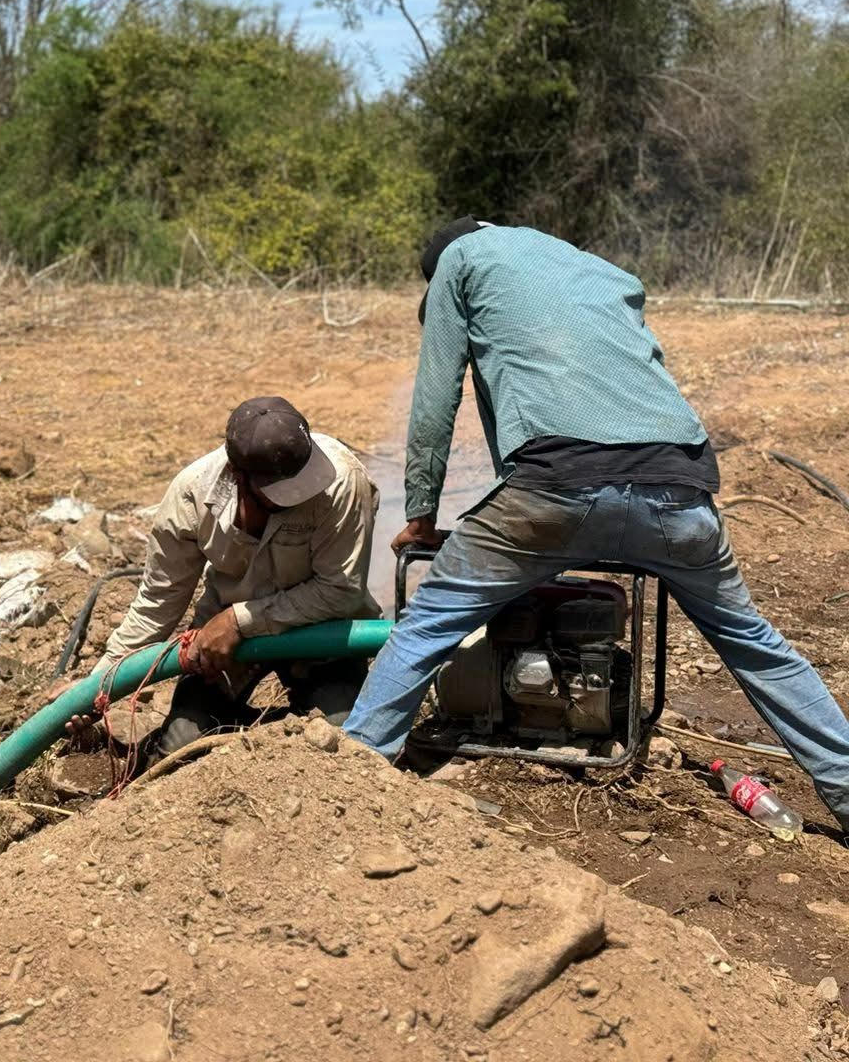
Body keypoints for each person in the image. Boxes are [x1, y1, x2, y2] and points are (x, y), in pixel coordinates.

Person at [342, 219, 849, 832]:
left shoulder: (460, 259)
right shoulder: (601, 270)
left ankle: (352, 781)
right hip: (681, 491)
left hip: (556, 488)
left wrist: (421, 514)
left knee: (426, 627)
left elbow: (434, 397)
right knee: (756, 646)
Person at [68, 396, 382, 768]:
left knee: (341, 745)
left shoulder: (343, 481)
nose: (300, 496)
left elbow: (339, 591)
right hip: (224, 650)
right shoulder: (191, 496)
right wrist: (98, 686)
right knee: (180, 753)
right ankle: (246, 735)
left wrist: (238, 621)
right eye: (281, 495)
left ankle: (283, 732)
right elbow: (157, 604)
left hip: (322, 636)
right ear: (237, 475)